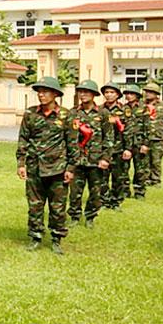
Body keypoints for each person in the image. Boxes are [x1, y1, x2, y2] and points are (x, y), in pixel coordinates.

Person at [16, 76, 78, 254]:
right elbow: (23, 139)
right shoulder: (30, 114)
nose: (41, 95)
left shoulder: (67, 116)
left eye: (45, 91)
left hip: (58, 168)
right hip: (35, 167)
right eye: (39, 92)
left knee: (57, 207)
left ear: (55, 94)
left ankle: (57, 238)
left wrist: (71, 168)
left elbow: (72, 143)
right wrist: (21, 163)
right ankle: (35, 236)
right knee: (35, 205)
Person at [67, 80, 112, 228]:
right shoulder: (73, 113)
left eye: (87, 91)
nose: (83, 94)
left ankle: (90, 216)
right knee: (75, 192)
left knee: (95, 191)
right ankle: (74, 216)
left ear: (94, 95)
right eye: (80, 91)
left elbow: (109, 137)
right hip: (77, 159)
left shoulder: (103, 113)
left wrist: (106, 158)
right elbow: (68, 137)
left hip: (96, 160)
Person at [100, 82, 131, 211]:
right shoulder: (100, 110)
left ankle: (116, 202)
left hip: (118, 149)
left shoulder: (124, 111)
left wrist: (128, 148)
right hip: (104, 150)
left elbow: (129, 130)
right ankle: (103, 201)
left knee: (119, 177)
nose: (109, 95)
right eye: (106, 92)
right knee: (102, 178)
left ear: (117, 95)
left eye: (112, 92)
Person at [122, 84, 151, 200]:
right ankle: (124, 192)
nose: (129, 96)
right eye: (127, 94)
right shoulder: (123, 109)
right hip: (126, 144)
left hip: (139, 144)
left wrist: (146, 144)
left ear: (137, 96)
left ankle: (139, 192)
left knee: (140, 170)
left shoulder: (144, 108)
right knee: (123, 169)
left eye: (132, 94)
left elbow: (148, 127)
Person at [143, 82, 163, 187]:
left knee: (156, 161)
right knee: (145, 160)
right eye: (146, 92)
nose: (148, 94)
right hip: (144, 138)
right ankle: (145, 179)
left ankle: (155, 180)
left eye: (151, 92)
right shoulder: (141, 105)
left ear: (156, 94)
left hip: (158, 137)